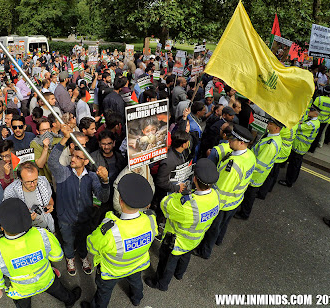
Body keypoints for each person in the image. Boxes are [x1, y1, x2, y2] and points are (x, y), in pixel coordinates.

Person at [0, 198, 82, 307]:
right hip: (46, 280)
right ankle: (70, 301)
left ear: (1, 225)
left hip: (21, 291)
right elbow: (57, 256)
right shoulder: (42, 234)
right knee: (59, 291)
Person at [81, 173, 157, 308]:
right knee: (136, 283)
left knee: (104, 292)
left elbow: (91, 246)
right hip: (136, 264)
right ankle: (137, 299)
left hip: (112, 271)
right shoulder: (151, 219)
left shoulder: (109, 229)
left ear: (120, 201)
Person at [145, 159, 220, 291]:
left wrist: (176, 194)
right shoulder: (215, 195)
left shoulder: (188, 205)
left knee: (166, 263)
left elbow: (165, 204)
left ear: (195, 179)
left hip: (176, 241)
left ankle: (161, 284)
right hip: (195, 238)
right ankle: (179, 274)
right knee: (185, 256)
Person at [48, 125, 110, 276]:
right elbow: (52, 162)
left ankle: (83, 257)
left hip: (84, 219)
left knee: (82, 241)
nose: (73, 159)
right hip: (66, 219)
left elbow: (103, 197)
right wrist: (64, 138)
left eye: (78, 157)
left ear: (86, 161)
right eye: (73, 156)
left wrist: (106, 181)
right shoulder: (64, 173)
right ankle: (69, 258)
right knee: (68, 242)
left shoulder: (92, 177)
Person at [195, 125, 256, 259]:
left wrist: (212, 205)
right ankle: (219, 240)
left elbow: (220, 189)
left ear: (241, 142)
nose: (228, 140)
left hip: (223, 204)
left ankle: (204, 252)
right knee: (223, 226)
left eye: (232, 139)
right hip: (235, 200)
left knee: (213, 228)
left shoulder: (233, 165)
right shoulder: (250, 155)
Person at [235, 117, 283, 220]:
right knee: (249, 195)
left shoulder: (271, 145)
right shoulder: (272, 137)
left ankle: (244, 214)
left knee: (249, 196)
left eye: (271, 124)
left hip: (255, 175)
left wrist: (247, 170)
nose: (268, 124)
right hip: (257, 174)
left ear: (277, 128)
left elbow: (260, 164)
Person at [3, 161, 55, 233]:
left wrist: (51, 205)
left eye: (35, 180)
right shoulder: (11, 192)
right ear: (20, 179)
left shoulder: (43, 182)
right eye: (28, 182)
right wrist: (26, 219)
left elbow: (50, 199)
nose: (33, 184)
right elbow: (9, 219)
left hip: (47, 228)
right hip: (27, 233)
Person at [279, 104, 321, 188]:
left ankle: (289, 182)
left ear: (316, 114)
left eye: (311, 111)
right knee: (296, 164)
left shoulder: (311, 124)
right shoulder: (315, 121)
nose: (309, 111)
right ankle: (291, 178)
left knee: (293, 165)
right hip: (302, 146)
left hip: (299, 146)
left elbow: (299, 127)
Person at [309, 86, 330, 151]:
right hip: (325, 121)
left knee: (313, 133)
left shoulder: (319, 98)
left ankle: (310, 147)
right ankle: (313, 149)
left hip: (317, 119)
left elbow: (313, 108)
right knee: (319, 134)